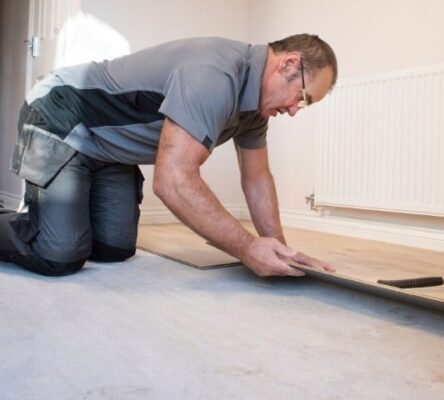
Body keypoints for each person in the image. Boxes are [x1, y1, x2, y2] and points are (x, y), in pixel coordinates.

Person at [0, 34, 338, 277]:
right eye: (303, 97)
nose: (295, 109)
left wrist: (279, 249)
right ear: (288, 64)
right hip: (63, 115)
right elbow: (173, 181)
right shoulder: (215, 74)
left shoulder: (254, 111)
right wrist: (248, 249)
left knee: (114, 249)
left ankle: (63, 214)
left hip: (109, 150)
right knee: (58, 254)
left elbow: (257, 177)